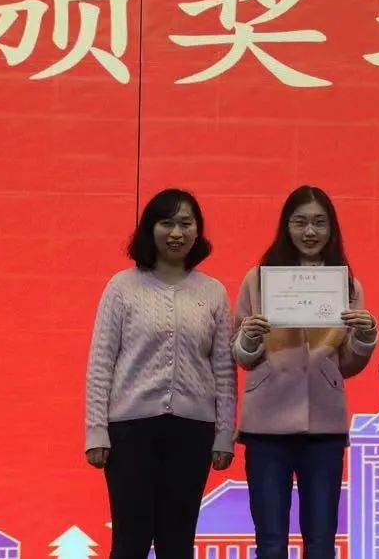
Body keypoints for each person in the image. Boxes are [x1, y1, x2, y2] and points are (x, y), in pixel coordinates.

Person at [84, 188, 236, 559]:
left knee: (177, 542)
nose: (177, 232)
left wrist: (224, 435)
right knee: (129, 542)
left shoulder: (213, 292)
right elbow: (101, 362)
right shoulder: (122, 287)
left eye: (186, 223)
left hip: (193, 432)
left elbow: (224, 370)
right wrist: (96, 430)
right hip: (130, 432)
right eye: (166, 223)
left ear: (198, 231)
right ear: (149, 229)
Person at [232, 185, 378, 559]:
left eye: (319, 223)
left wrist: (365, 337)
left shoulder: (347, 284)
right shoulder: (257, 279)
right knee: (270, 543)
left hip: (325, 430)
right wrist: (249, 338)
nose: (310, 232)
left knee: (321, 543)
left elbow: (347, 365)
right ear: (286, 226)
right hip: (266, 429)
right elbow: (242, 356)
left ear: (331, 228)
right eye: (300, 222)